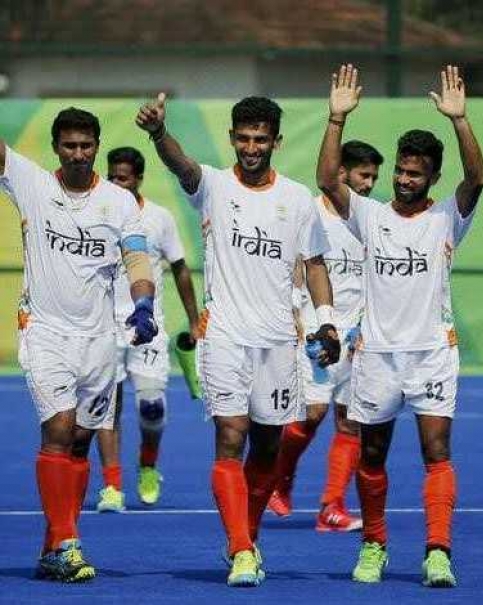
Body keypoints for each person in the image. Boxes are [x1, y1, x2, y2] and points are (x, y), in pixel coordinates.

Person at [136, 93, 340, 587]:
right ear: (232, 138)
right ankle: (241, 548)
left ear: (275, 141)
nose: (251, 147)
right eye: (244, 138)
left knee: (268, 448)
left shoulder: (296, 199)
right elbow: (181, 165)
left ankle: (248, 538)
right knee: (231, 437)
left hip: (278, 342)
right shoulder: (213, 186)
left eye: (261, 139)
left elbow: (314, 264)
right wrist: (159, 133)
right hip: (224, 335)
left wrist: (327, 321)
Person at [317, 64, 483, 587]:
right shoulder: (369, 215)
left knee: (437, 452)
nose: (405, 180)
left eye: (416, 174)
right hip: (376, 356)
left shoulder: (447, 218)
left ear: (433, 177)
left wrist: (461, 122)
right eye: (401, 172)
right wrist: (336, 118)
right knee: (371, 454)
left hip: (433, 352)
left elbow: (477, 178)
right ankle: (374, 545)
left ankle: (438, 552)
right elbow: (327, 179)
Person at [0, 107, 157, 582]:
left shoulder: (119, 201)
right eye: (69, 146)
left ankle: (53, 546)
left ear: (97, 146)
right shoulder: (30, 183)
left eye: (86, 146)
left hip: (98, 340)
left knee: (82, 442)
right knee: (60, 429)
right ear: (55, 148)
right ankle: (69, 543)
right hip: (45, 331)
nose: (78, 154)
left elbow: (136, 258)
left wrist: (143, 305)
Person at [267, 140, 384, 533]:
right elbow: (296, 269)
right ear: (341, 174)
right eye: (363, 175)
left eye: (373, 177)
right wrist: (296, 316)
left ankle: (330, 508)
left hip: (357, 337)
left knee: (351, 423)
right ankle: (278, 479)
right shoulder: (309, 213)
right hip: (317, 330)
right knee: (313, 414)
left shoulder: (372, 219)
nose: (369, 184)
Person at [94, 146, 200, 512]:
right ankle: (111, 486)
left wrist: (194, 318)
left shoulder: (159, 218)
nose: (116, 183)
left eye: (122, 177)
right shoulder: (98, 214)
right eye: (112, 176)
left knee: (151, 409)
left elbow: (181, 268)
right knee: (106, 407)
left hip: (147, 326)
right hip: (105, 326)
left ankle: (149, 465)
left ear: (138, 178)